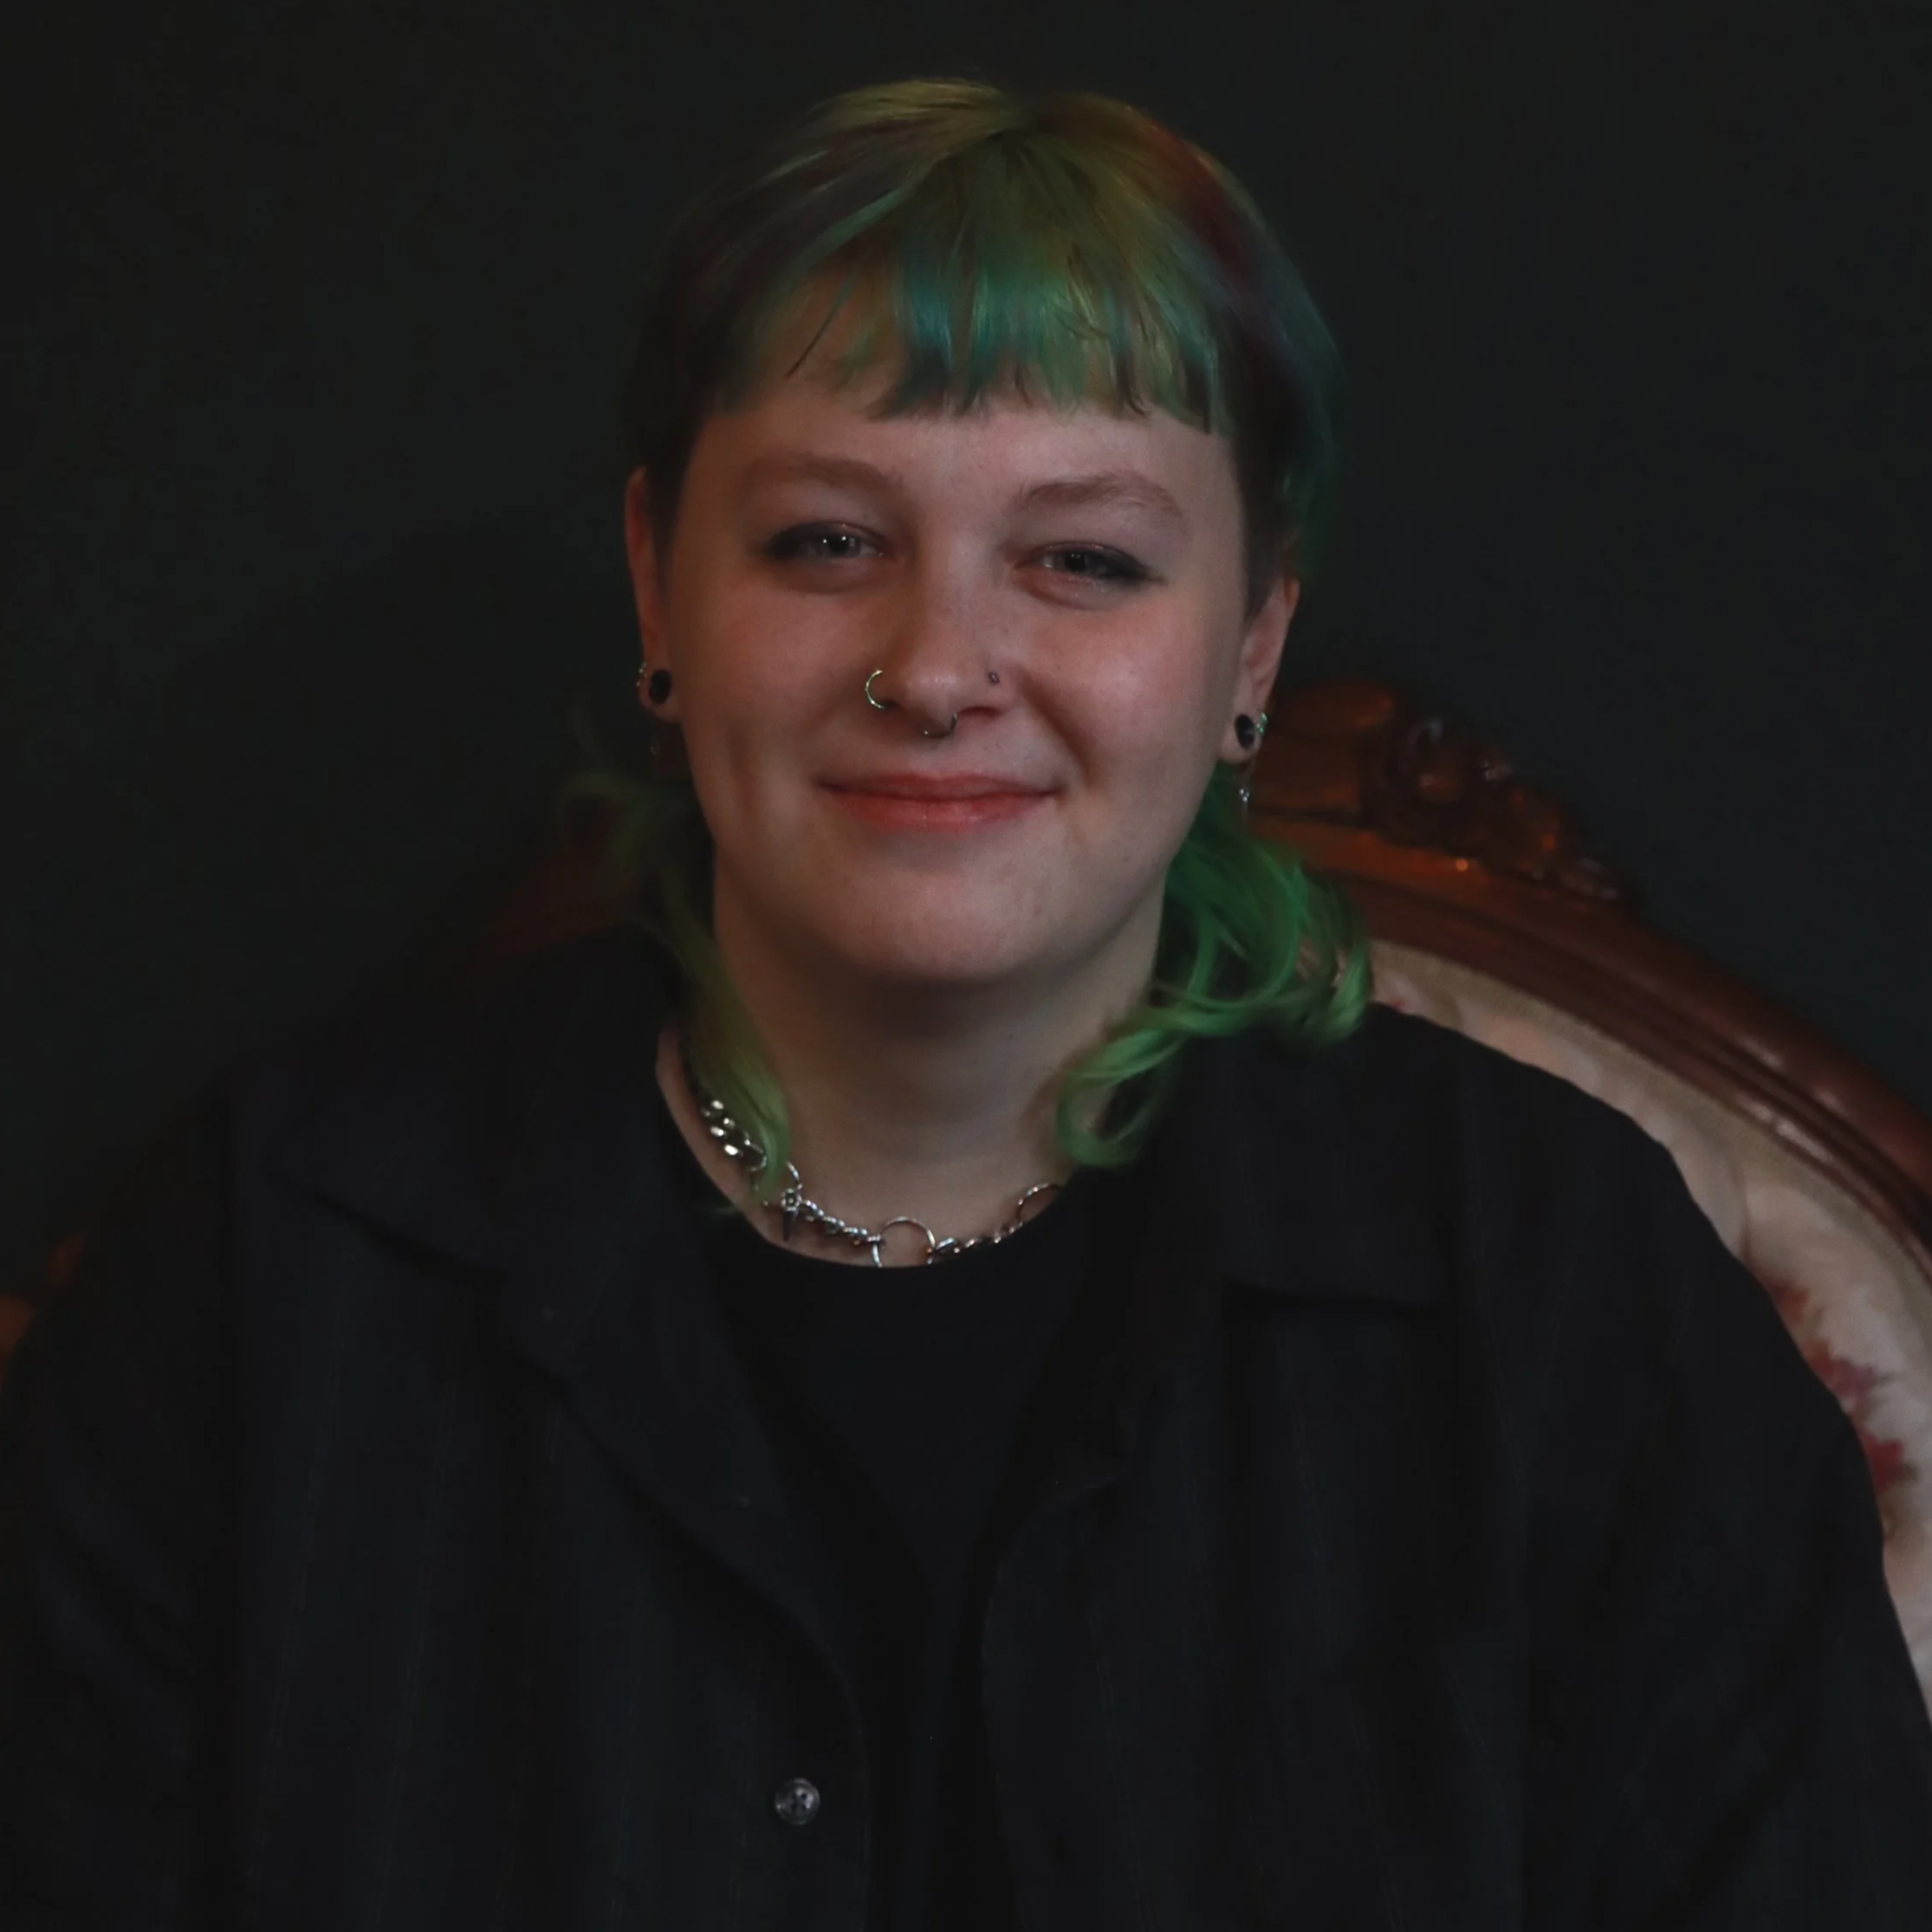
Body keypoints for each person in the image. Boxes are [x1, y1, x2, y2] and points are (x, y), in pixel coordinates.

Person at [3, 74, 1930, 1932]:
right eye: (825, 541)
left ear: (1249, 639)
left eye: (1081, 559)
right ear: (657, 592)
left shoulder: (1560, 1293)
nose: (938, 666)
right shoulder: (277, 1267)